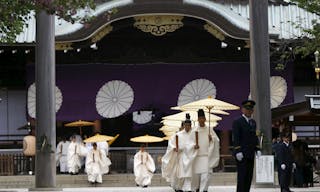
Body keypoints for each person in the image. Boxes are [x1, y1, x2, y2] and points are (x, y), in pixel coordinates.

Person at [232, 100, 261, 192]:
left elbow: (255, 136)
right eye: (247, 109)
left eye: (251, 109)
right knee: (242, 177)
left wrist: (257, 148)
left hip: (250, 153)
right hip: (242, 154)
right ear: (242, 110)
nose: (249, 111)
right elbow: (235, 137)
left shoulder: (253, 122)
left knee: (249, 177)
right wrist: (237, 150)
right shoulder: (237, 121)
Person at [192, 109, 220, 192]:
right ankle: (197, 188)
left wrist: (212, 139)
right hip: (197, 156)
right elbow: (189, 142)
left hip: (206, 156)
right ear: (198, 119)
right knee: (197, 176)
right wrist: (194, 146)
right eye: (200, 118)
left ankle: (204, 190)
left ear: (205, 119)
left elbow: (217, 140)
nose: (201, 120)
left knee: (206, 175)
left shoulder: (209, 129)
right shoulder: (194, 130)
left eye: (202, 118)